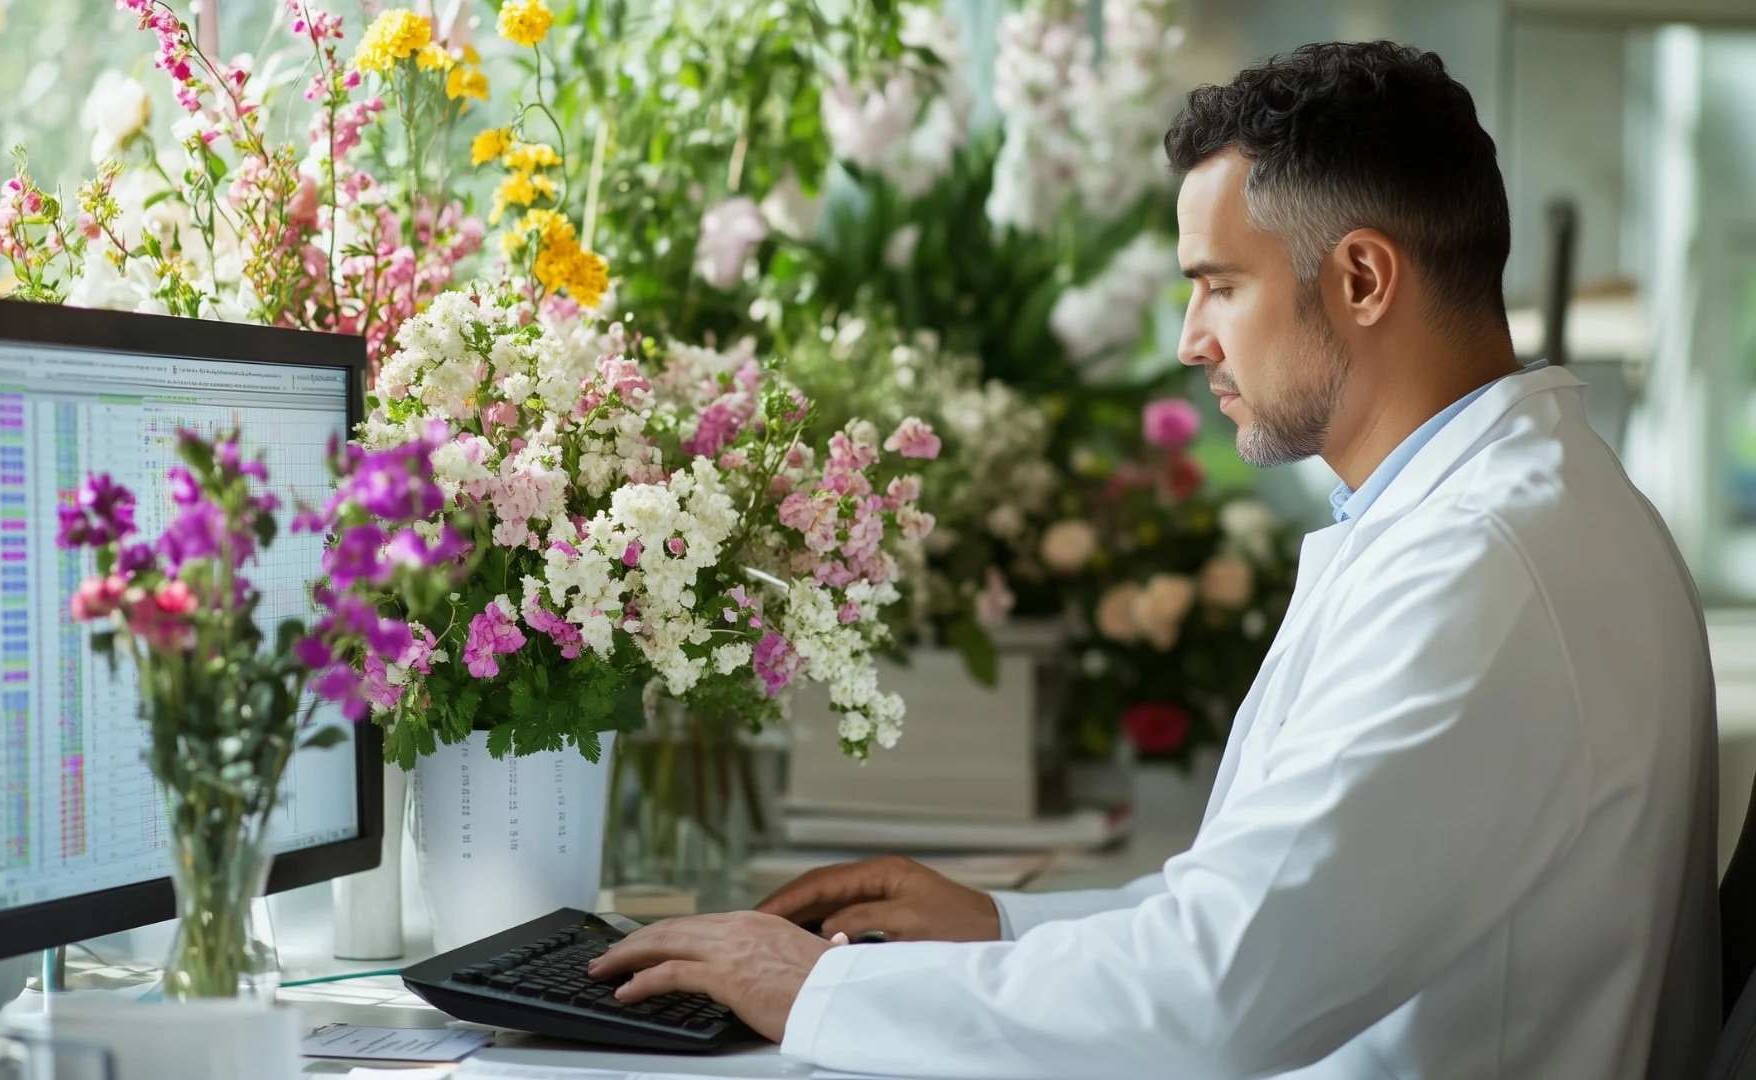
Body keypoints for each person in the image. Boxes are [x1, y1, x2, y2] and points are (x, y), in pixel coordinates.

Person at [589, 40, 1720, 1079]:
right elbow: (1258, 924)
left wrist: (818, 986)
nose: (1191, 341)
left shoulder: (1479, 567)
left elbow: (1215, 995)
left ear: (1364, 280)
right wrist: (998, 926)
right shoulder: (1506, 509)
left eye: (1220, 284)